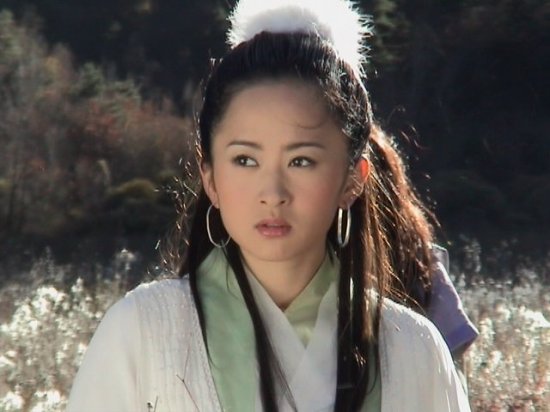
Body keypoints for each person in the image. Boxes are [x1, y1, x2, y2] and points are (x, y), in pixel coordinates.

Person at [67, 0, 472, 411]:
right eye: (245, 160)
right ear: (210, 177)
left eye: (301, 161)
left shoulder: (415, 351)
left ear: (353, 179)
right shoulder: (141, 331)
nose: (273, 192)